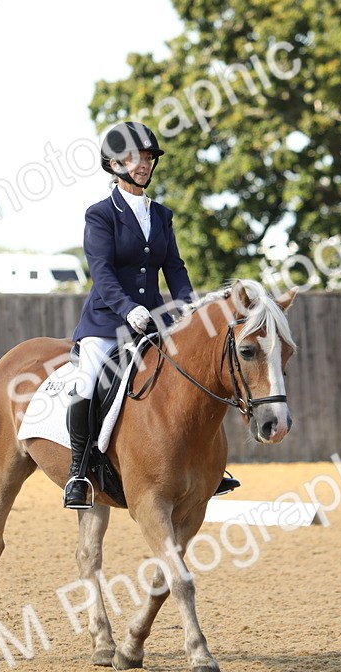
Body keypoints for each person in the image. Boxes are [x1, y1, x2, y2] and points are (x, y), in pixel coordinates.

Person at [63, 121, 236, 509]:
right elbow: (102, 272)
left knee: (187, 379)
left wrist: (194, 312)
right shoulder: (100, 215)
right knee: (88, 382)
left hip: (155, 322)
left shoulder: (161, 215)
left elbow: (174, 268)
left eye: (146, 157)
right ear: (113, 163)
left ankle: (203, 467)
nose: (141, 163)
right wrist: (128, 308)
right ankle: (79, 470)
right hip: (107, 323)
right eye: (132, 157)